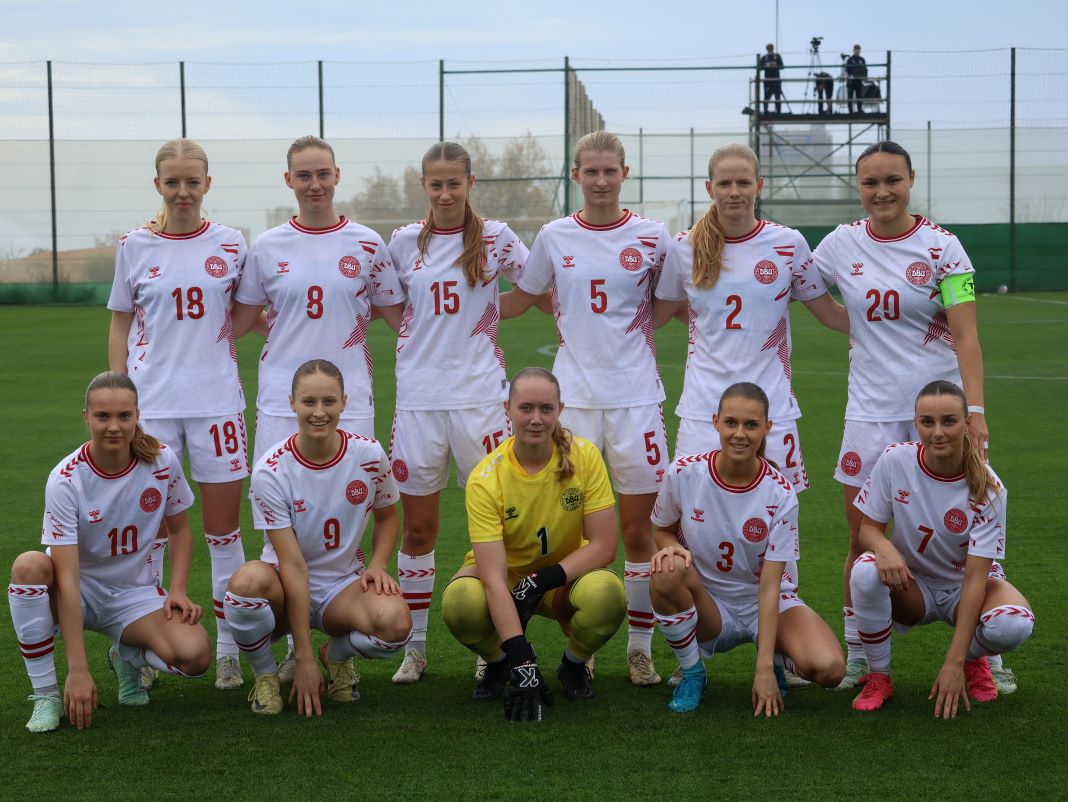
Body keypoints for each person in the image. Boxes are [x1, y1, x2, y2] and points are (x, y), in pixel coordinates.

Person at [812, 140, 991, 689]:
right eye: (870, 183)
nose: (882, 192)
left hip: (938, 416)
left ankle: (984, 653)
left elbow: (966, 336)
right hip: (869, 414)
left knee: (968, 539)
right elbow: (810, 294)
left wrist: (975, 411)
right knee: (861, 539)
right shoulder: (840, 244)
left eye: (893, 180)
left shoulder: (944, 247)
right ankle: (859, 654)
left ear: (911, 179)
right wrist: (856, 327)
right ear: (859, 187)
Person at [500, 131, 671, 686]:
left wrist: (628, 342)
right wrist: (449, 310)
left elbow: (668, 304)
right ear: (576, 175)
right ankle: (583, 642)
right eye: (590, 171)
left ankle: (639, 649)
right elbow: (523, 298)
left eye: (609, 171)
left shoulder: (652, 236)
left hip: (636, 399)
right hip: (572, 402)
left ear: (625, 173)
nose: (600, 181)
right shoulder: (554, 236)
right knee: (570, 530)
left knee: (640, 529)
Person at [232, 136, 404, 679]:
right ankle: (292, 648)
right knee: (282, 517)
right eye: (303, 175)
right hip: (281, 400)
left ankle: (340, 645)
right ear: (289, 180)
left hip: (349, 396)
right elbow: (243, 318)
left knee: (348, 508)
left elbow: (398, 315)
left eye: (322, 174)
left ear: (337, 176)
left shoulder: (367, 243)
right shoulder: (266, 246)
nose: (314, 184)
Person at [107, 138, 249, 691]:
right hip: (154, 409)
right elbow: (121, 322)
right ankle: (140, 651)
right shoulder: (134, 245)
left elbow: (246, 313)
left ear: (207, 184)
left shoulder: (232, 243)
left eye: (193, 182)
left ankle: (231, 650)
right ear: (158, 185)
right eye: (173, 182)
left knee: (223, 532)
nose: (183, 192)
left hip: (217, 405)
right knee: (153, 534)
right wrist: (122, 396)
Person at [386, 141, 529, 684]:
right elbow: (394, 308)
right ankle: (415, 648)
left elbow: (532, 290)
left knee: (492, 529)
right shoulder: (403, 243)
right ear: (423, 185)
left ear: (471, 183)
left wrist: (487, 312)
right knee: (418, 529)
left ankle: (492, 645)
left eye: (454, 183)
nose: (445, 193)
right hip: (419, 402)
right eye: (435, 184)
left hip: (481, 401)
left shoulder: (497, 237)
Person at [10, 372, 210, 733]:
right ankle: (46, 695)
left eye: (123, 416)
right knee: (28, 567)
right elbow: (67, 578)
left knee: (195, 658)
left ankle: (127, 656)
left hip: (134, 593)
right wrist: (78, 669)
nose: (114, 426)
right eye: (103, 416)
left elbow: (180, 529)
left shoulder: (162, 461)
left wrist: (178, 589)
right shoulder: (65, 479)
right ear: (86, 417)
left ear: (137, 415)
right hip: (78, 589)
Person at [653, 143, 848, 488]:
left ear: (759, 186)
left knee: (775, 509)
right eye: (724, 184)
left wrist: (900, 322)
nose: (734, 192)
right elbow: (658, 315)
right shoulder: (685, 246)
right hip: (704, 408)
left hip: (771, 407)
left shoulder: (788, 243)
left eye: (743, 183)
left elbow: (830, 315)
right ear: (710, 188)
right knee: (693, 507)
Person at [223, 360, 411, 716]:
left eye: (329, 401)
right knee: (245, 586)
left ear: (344, 402)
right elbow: (293, 567)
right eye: (309, 402)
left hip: (342, 588)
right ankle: (266, 674)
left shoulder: (369, 455)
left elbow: (387, 517)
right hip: (283, 584)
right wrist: (302, 658)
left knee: (396, 625)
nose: (319, 412)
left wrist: (377, 564)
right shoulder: (271, 470)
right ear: (292, 403)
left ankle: (336, 656)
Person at [441, 367, 626, 722]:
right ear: (507, 409)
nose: (536, 419)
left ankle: (574, 664)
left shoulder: (585, 457)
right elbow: (493, 578)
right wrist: (521, 659)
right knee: (460, 602)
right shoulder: (485, 478)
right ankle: (500, 662)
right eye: (526, 408)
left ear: (560, 410)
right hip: (505, 579)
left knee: (606, 594)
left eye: (546, 408)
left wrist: (542, 580)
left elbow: (604, 546)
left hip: (563, 579)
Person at [649, 382, 845, 714]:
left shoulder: (780, 493)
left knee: (830, 669)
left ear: (767, 428)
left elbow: (769, 586)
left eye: (751, 425)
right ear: (715, 422)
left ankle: (777, 659)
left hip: (765, 602)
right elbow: (662, 531)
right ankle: (693, 672)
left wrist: (763, 666)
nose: (739, 434)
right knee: (666, 570)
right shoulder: (683, 472)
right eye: (731, 422)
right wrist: (672, 549)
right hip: (709, 604)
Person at [848, 380, 1032, 715]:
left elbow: (975, 581)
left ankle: (973, 660)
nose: (937, 432)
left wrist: (954, 661)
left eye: (949, 421)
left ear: (967, 423)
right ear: (915, 423)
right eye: (927, 422)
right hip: (913, 586)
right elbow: (868, 530)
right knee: (864, 571)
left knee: (1013, 625)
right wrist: (882, 545)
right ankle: (879, 677)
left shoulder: (990, 489)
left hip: (965, 589)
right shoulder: (895, 459)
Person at [760, 43, 785, 114]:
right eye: (769, 48)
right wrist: (766, 66)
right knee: (766, 96)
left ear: (773, 48)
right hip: (768, 80)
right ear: (767, 49)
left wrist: (775, 65)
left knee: (777, 96)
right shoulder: (764, 57)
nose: (770, 49)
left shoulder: (777, 56)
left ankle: (778, 111)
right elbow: (760, 67)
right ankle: (765, 111)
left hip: (776, 79)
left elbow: (782, 66)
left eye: (771, 48)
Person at [845, 45, 867, 114]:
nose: (857, 51)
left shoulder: (862, 59)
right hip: (851, 81)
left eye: (858, 49)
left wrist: (863, 76)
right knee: (850, 96)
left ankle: (859, 110)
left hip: (859, 80)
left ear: (860, 50)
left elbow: (864, 69)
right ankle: (850, 111)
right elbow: (847, 69)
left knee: (859, 96)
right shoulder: (850, 59)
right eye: (856, 49)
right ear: (853, 50)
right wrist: (850, 74)